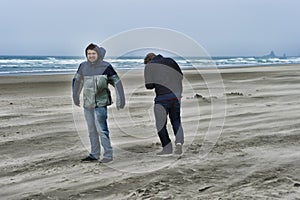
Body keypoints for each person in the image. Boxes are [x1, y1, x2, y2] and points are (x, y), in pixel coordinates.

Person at [72, 43, 125, 163]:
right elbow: (76, 81)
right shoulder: (83, 66)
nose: (91, 56)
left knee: (102, 130)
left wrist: (121, 99)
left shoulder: (106, 67)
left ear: (98, 54)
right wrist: (75, 95)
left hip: (100, 104)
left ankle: (108, 155)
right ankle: (94, 154)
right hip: (87, 104)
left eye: (93, 53)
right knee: (91, 130)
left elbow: (117, 82)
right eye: (89, 54)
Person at [144, 53, 184, 155]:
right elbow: (180, 76)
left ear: (148, 61)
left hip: (162, 98)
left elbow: (149, 85)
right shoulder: (170, 60)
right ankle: (179, 142)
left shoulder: (149, 66)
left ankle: (167, 148)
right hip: (175, 95)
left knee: (161, 124)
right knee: (176, 120)